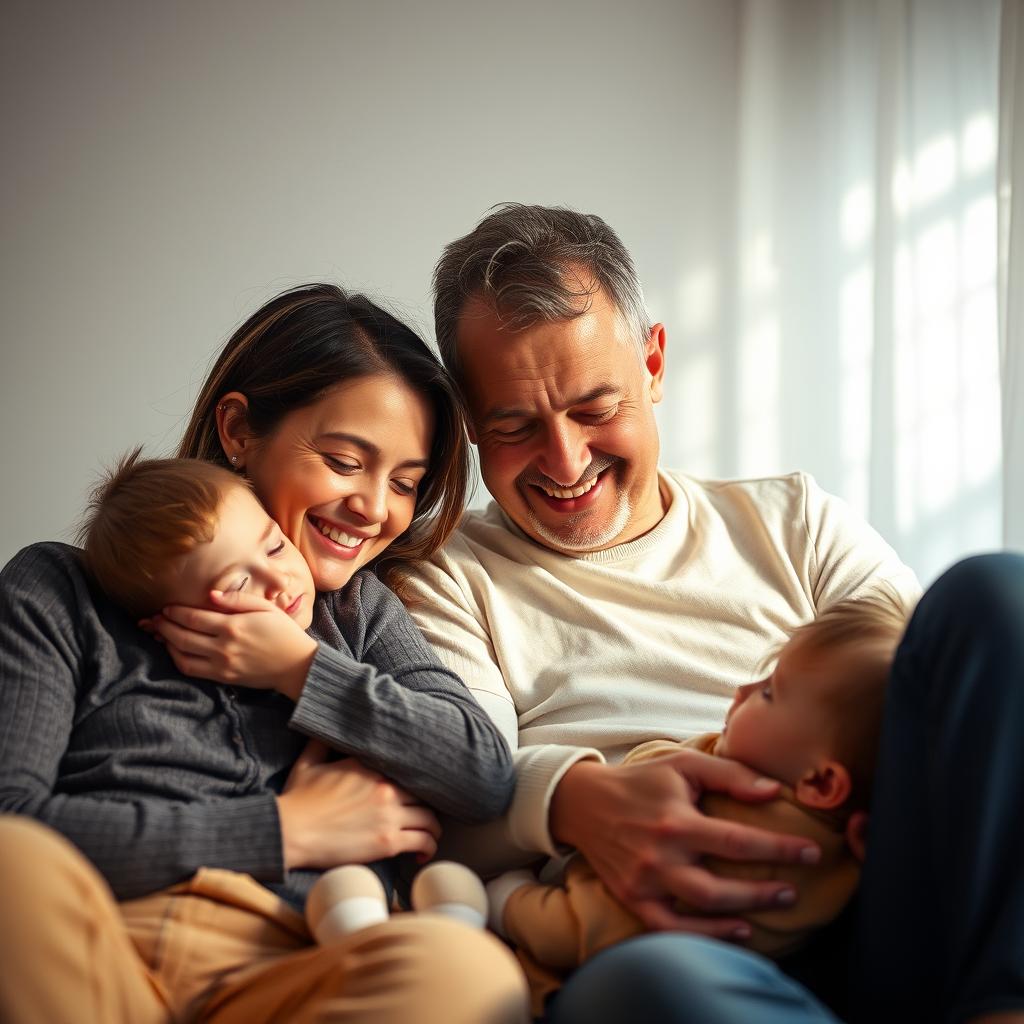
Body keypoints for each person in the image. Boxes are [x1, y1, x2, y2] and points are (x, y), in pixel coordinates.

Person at [404, 203, 1024, 1023]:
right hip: (675, 948)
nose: (565, 459)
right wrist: (570, 800)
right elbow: (454, 782)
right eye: (515, 426)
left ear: (653, 362)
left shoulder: (794, 522)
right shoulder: (448, 580)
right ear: (470, 425)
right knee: (647, 990)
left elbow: (936, 715)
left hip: (876, 900)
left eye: (594, 407)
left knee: (995, 595)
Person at [0, 284, 529, 1024]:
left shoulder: (357, 615)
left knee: (465, 973)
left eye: (406, 484)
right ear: (240, 429)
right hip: (100, 948)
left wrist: (300, 668)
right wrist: (287, 828)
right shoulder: (60, 588)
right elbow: (11, 817)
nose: (377, 507)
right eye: (346, 460)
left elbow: (482, 771)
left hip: (294, 965)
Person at [486, 593, 907, 1016]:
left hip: (577, 957)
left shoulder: (747, 838)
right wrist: (570, 792)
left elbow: (589, 926)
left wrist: (507, 902)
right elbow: (471, 771)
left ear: (819, 781)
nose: (741, 689)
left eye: (769, 694)